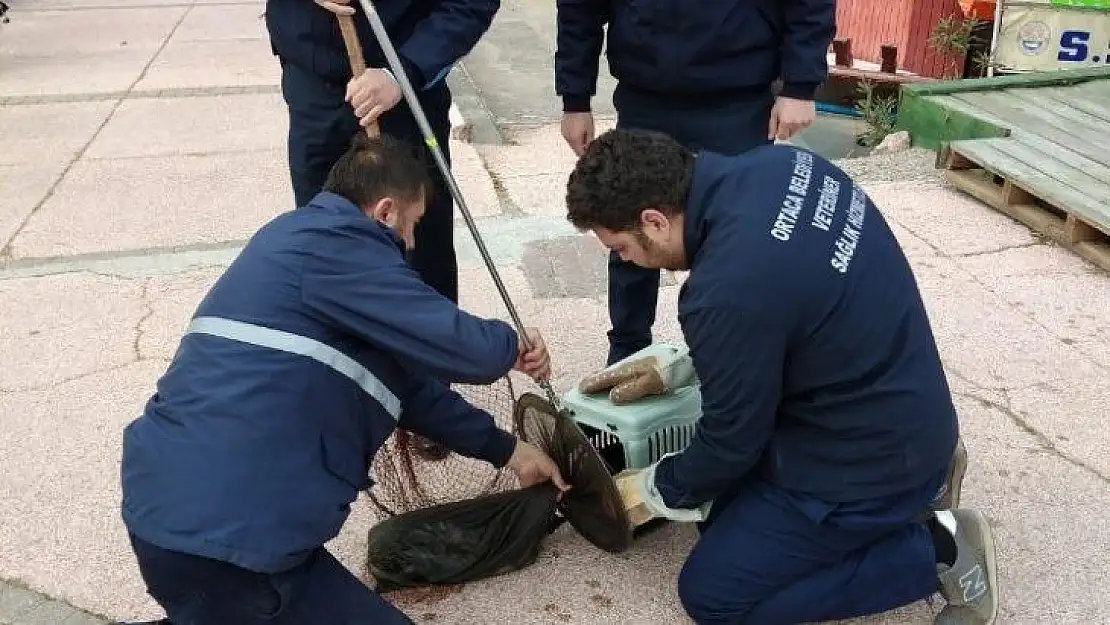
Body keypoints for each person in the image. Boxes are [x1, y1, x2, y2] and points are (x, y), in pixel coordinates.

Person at [114, 133, 568, 625]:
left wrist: (510, 451)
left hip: (183, 518)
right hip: (229, 544)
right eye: (413, 225)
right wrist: (513, 344)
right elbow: (470, 351)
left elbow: (410, 391)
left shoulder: (295, 241)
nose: (413, 244)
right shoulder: (339, 248)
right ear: (386, 211)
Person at [563, 128, 996, 625]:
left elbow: (730, 444)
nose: (627, 262)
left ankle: (938, 550)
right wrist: (687, 362)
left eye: (620, 248)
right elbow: (794, 305)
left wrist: (654, 488)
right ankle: (926, 479)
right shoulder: (779, 167)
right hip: (909, 410)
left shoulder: (724, 289)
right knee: (720, 522)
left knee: (713, 593)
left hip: (869, 461)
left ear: (654, 221)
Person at [554, 0, 837, 366]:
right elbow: (578, 7)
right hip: (645, 87)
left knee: (739, 238)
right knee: (630, 226)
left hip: (739, 92)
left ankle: (736, 352)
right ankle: (627, 349)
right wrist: (575, 99)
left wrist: (800, 85)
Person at [264, 0, 501, 305]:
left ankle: (427, 345)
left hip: (404, 81)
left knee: (417, 244)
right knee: (323, 245)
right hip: (313, 78)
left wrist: (403, 72)